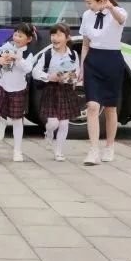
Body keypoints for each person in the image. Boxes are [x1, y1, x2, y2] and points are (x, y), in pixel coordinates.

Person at [79, 0, 128, 166]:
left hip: (112, 61)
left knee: (110, 108)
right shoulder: (87, 15)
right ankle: (93, 150)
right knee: (92, 106)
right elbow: (85, 44)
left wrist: (110, 7)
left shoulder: (118, 12)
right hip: (93, 61)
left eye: (89, 2)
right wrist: (82, 68)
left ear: (101, 0)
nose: (87, 6)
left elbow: (121, 20)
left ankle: (109, 146)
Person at [31, 23, 80, 162]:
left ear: (67, 38)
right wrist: (49, 76)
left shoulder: (73, 55)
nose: (54, 38)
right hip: (51, 90)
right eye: (53, 35)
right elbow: (35, 72)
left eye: (59, 35)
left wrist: (68, 77)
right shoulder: (47, 54)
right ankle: (49, 132)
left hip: (66, 90)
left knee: (64, 123)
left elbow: (76, 73)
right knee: (53, 123)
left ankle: (59, 152)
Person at [0, 23, 35, 162]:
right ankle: (1, 123)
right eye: (15, 34)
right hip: (2, 85)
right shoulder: (5, 47)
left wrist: (17, 58)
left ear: (29, 39)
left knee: (17, 121)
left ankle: (17, 151)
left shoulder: (28, 53)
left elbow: (28, 69)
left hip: (18, 89)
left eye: (20, 36)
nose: (17, 38)